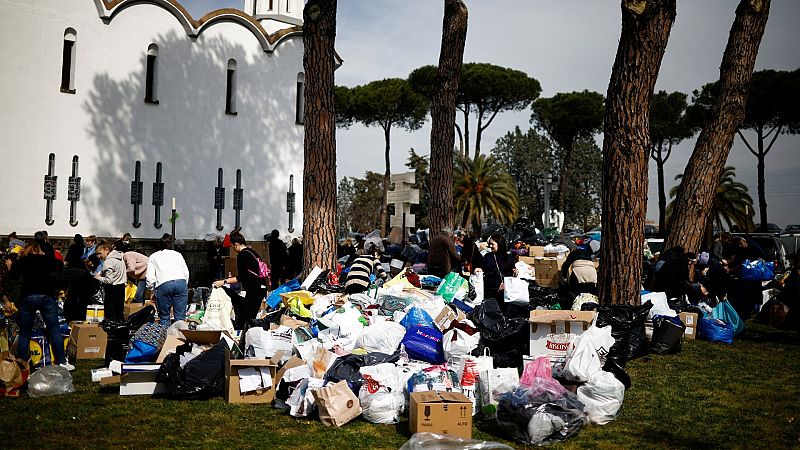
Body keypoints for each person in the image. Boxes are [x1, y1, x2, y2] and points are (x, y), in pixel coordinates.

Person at [9, 242, 73, 370]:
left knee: (25, 332)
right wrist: (46, 256)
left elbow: (13, 275)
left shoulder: (24, 261)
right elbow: (60, 265)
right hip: (46, 296)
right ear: (39, 250)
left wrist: (18, 259)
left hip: (28, 296)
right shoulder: (47, 260)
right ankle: (61, 360)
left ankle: (22, 363)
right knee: (54, 329)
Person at [213, 232, 268, 330]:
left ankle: (242, 337)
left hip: (254, 289)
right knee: (249, 315)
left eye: (232, 247)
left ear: (236, 244)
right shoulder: (252, 252)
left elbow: (241, 277)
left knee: (245, 317)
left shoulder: (242, 255)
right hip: (261, 287)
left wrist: (224, 282)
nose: (233, 249)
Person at [146, 234, 189, 323]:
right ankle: (179, 336)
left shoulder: (153, 256)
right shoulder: (178, 254)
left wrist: (152, 290)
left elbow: (150, 277)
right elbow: (186, 273)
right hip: (181, 282)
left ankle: (166, 336)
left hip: (163, 284)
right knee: (180, 317)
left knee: (164, 316)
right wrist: (184, 285)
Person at [95, 241, 127, 322]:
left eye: (100, 253)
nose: (99, 256)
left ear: (106, 250)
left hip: (112, 289)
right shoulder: (120, 258)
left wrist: (98, 278)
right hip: (121, 287)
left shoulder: (108, 261)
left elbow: (109, 280)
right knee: (119, 313)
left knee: (111, 316)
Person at [482, 233, 514, 305]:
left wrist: (515, 271)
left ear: (499, 244)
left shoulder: (508, 257)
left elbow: (511, 272)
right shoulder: (487, 257)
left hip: (505, 291)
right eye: (489, 244)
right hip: (490, 291)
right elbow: (483, 269)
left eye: (492, 244)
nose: (490, 246)